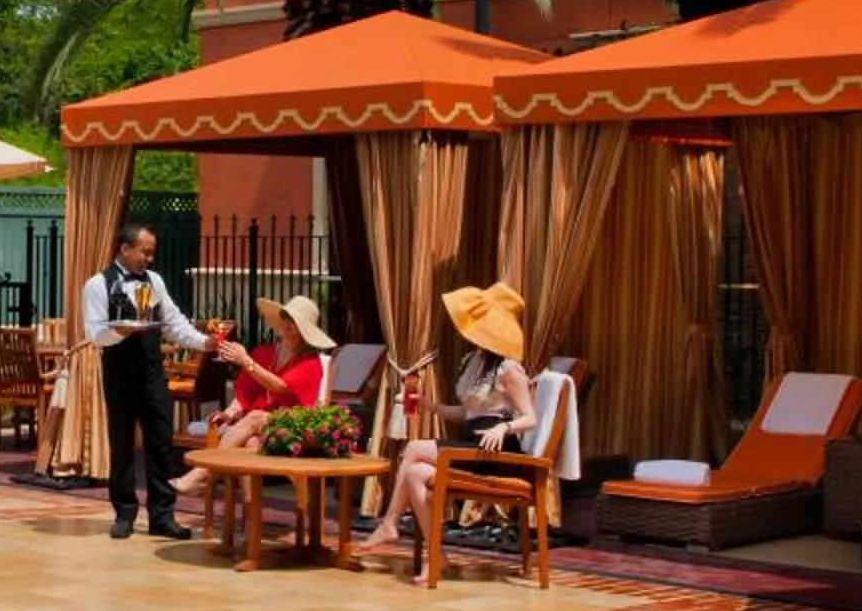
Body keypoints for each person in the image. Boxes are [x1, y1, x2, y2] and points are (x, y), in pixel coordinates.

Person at [362, 281, 534, 555]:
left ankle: (389, 523)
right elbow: (467, 413)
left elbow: (530, 417)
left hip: (495, 452)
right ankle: (435, 555)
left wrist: (504, 427)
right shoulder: (473, 361)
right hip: (470, 444)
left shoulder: (508, 369)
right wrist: (431, 406)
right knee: (415, 474)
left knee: (415, 448)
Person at [80, 224, 209, 540]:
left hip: (152, 372)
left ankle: (162, 516)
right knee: (122, 443)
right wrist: (119, 332)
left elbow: (173, 324)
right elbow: (95, 334)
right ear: (125, 249)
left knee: (161, 443)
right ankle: (124, 512)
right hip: (119, 371)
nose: (149, 259)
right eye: (145, 252)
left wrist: (205, 343)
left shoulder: (155, 282)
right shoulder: (98, 285)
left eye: (152, 253)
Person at [169, 295, 336, 494]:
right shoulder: (263, 353)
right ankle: (250, 516)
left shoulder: (310, 362)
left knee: (255, 417)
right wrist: (229, 414)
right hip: (260, 430)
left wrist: (247, 362)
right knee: (250, 443)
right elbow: (245, 392)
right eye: (286, 319)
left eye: (295, 322)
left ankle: (201, 475)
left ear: (305, 331)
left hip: (293, 429)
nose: (288, 325)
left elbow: (279, 386)